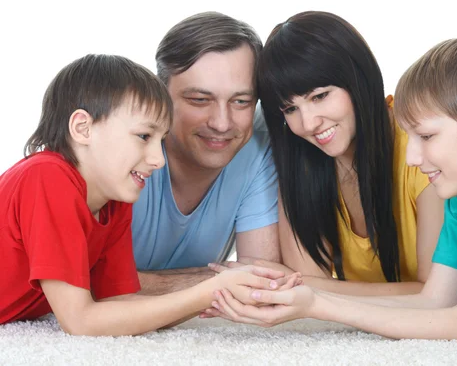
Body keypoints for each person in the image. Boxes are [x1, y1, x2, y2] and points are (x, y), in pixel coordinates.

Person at [206, 37, 457, 338]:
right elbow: (435, 301)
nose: (412, 157)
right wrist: (311, 301)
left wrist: (320, 305)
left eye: (427, 136)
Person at [0, 54, 295, 336]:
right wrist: (206, 291)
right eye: (144, 136)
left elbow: (120, 304)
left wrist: (219, 292)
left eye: (160, 140)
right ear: (83, 127)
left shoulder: (114, 201)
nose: (158, 159)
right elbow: (80, 320)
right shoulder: (47, 177)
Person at [211, 11, 444, 296]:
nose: (308, 124)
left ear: (358, 78)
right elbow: (308, 283)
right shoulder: (301, 159)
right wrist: (310, 288)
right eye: (290, 109)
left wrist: (312, 288)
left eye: (320, 96)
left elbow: (436, 294)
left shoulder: (421, 147)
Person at [132, 12, 280, 295]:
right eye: (200, 100)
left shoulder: (260, 140)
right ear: (159, 94)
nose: (222, 123)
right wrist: (221, 279)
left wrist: (140, 281)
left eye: (241, 101)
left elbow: (262, 279)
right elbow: (87, 282)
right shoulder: (119, 141)